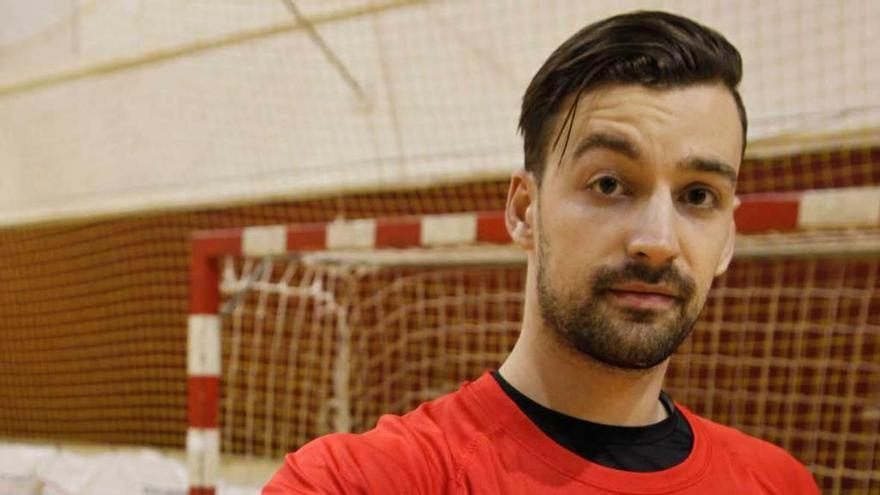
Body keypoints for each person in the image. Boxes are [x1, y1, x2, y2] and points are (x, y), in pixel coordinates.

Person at [263, 11, 819, 494]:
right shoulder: (360, 480)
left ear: (728, 239)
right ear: (525, 210)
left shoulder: (780, 483)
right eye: (608, 184)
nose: (657, 241)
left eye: (699, 196)